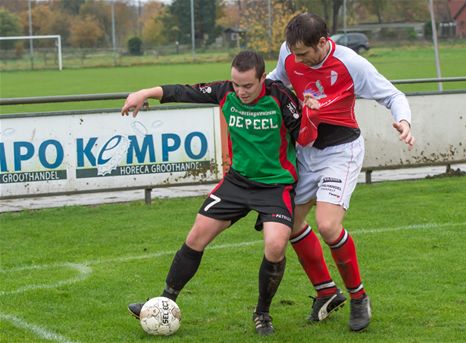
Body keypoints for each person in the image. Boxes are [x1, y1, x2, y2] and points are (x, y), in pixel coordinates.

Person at [121, 51, 305, 336]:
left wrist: (314, 119)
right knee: (196, 236)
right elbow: (183, 92)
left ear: (263, 79)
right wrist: (144, 92)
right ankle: (164, 303)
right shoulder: (224, 92)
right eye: (236, 84)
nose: (240, 91)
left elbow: (305, 137)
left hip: (276, 185)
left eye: (247, 85)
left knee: (276, 245)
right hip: (237, 183)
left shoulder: (281, 98)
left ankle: (262, 313)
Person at [267, 13, 416, 332]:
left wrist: (403, 121)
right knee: (288, 226)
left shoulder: (352, 64)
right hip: (306, 149)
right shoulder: (289, 53)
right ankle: (325, 292)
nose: (298, 60)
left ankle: (359, 297)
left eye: (304, 54)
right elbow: (276, 80)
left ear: (323, 43)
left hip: (341, 152)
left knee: (328, 226)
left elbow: (392, 95)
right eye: (293, 53)